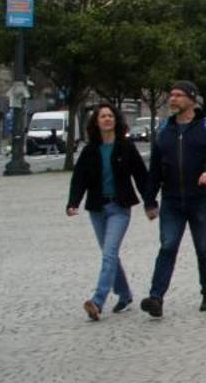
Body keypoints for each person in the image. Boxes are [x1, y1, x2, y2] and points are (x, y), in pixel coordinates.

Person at [141, 80, 206, 317]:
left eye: (179, 95)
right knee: (167, 246)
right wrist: (150, 201)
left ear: (191, 99)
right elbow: (155, 169)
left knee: (203, 247)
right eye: (171, 95)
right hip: (171, 200)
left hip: (200, 198)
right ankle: (156, 297)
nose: (173, 99)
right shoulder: (164, 131)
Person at [65, 102, 153, 320]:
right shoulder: (90, 151)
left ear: (116, 121)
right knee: (109, 254)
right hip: (97, 208)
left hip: (119, 208)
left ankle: (97, 301)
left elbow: (141, 176)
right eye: (102, 116)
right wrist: (73, 202)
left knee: (109, 253)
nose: (106, 119)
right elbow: (79, 179)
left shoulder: (126, 147)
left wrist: (150, 203)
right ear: (96, 122)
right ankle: (124, 294)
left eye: (110, 116)